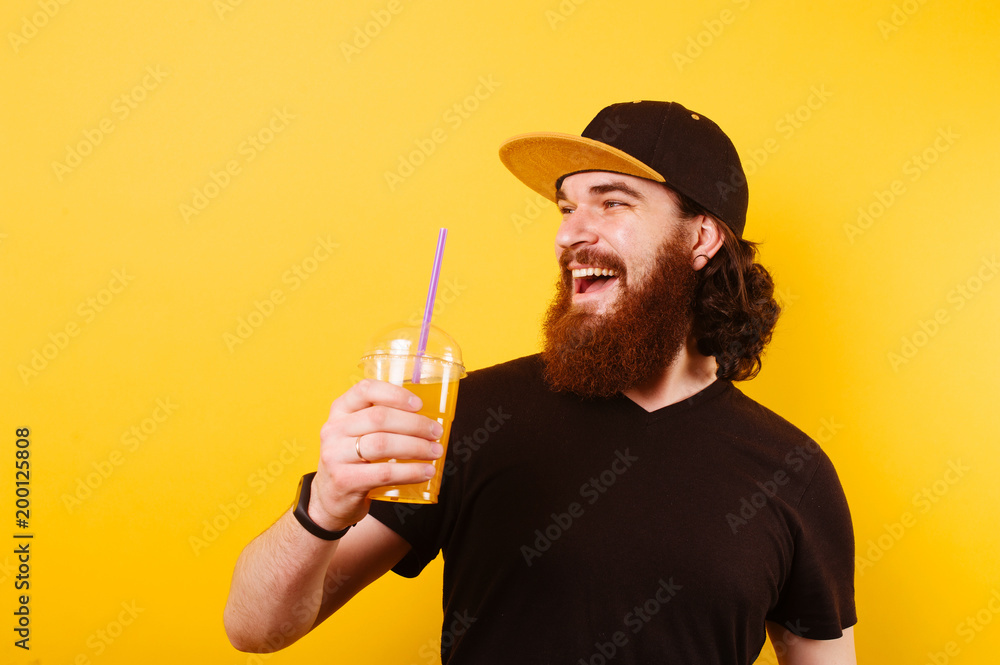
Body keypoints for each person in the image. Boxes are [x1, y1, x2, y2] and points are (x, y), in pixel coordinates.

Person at [224, 100, 857, 664]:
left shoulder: (792, 472)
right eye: (567, 207)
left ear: (701, 237)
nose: (570, 233)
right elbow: (256, 629)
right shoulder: (468, 416)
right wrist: (324, 508)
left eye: (611, 201)